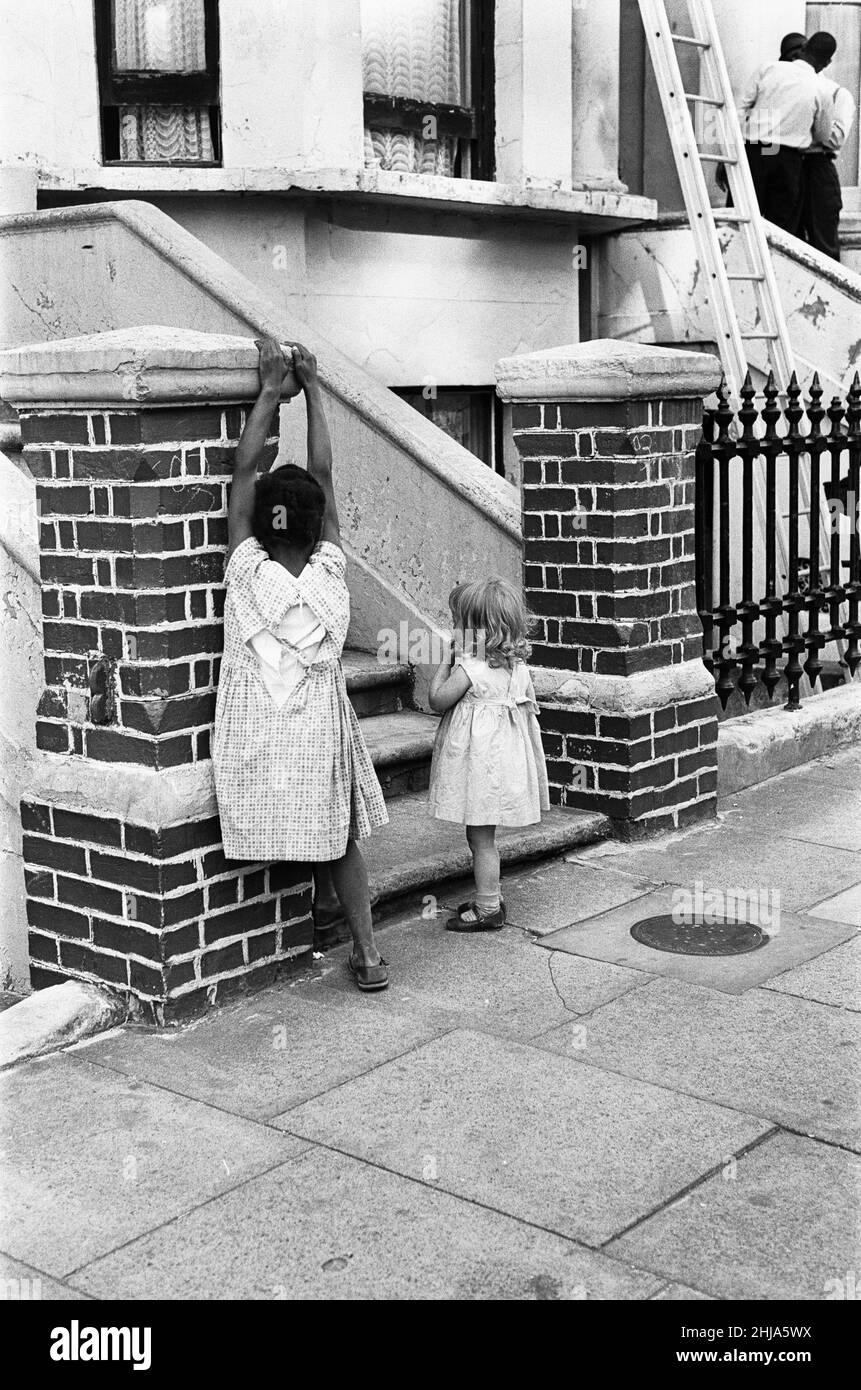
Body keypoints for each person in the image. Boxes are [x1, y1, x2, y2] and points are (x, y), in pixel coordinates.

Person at [212, 337, 390, 992]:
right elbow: (324, 472)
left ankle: (314, 914)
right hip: (315, 720)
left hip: (257, 722)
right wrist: (313, 387)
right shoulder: (330, 567)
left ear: (260, 523)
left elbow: (242, 473)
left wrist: (268, 391)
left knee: (285, 811)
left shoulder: (245, 568)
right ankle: (366, 953)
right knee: (337, 830)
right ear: (319, 524)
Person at [427, 577, 549, 932]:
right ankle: (487, 894)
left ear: (478, 630)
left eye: (458, 624)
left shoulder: (471, 669)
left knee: (481, 840)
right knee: (484, 837)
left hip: (480, 767)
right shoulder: (517, 668)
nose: (454, 630)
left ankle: (488, 908)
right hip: (503, 763)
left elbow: (437, 700)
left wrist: (445, 664)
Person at [734, 37, 835, 231]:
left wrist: (734, 149)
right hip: (787, 159)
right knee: (780, 230)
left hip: (755, 152)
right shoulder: (822, 89)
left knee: (740, 220)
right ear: (827, 63)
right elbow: (823, 136)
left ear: (804, 48)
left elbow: (740, 109)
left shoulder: (768, 69)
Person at [799, 32, 856, 260]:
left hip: (817, 168)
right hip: (789, 167)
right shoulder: (781, 87)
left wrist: (801, 131)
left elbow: (834, 139)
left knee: (823, 243)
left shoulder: (836, 93)